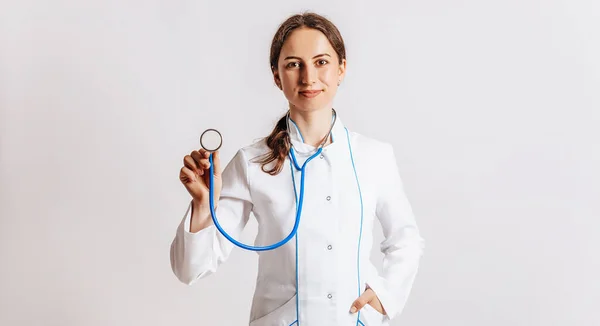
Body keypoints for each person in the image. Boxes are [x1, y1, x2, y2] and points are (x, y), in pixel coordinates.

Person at [170, 12, 425, 326]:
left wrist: (386, 295)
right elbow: (189, 269)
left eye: (321, 62)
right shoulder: (252, 162)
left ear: (342, 68)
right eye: (293, 64)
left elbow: (406, 239)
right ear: (277, 76)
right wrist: (201, 205)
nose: (308, 78)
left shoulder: (374, 156)